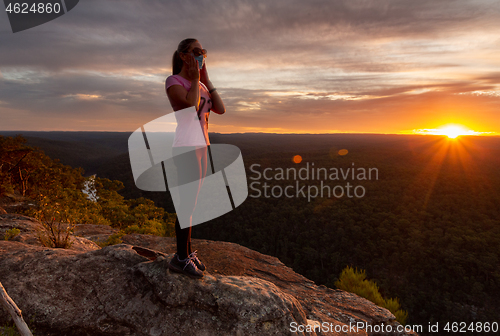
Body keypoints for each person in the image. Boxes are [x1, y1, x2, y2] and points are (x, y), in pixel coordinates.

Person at [165, 38, 225, 278]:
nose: (201, 56)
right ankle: (180, 258)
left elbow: (220, 108)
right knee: (186, 205)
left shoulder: (201, 85)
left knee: (192, 206)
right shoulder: (174, 81)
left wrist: (206, 80)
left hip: (202, 146)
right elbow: (189, 109)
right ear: (183, 56)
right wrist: (196, 78)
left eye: (203, 52)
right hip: (185, 147)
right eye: (197, 52)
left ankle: (186, 253)